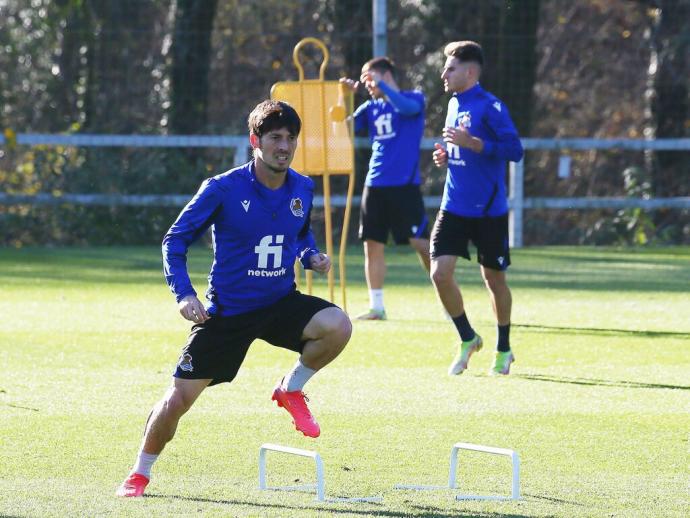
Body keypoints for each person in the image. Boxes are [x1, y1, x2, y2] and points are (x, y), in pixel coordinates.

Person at [116, 100, 352, 498]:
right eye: (275, 137)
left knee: (339, 326)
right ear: (254, 140)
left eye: (290, 138)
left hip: (280, 303)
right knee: (178, 399)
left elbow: (299, 234)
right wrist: (184, 294)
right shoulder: (222, 189)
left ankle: (290, 389)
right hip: (229, 312)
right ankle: (139, 473)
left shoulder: (303, 187)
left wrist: (309, 255)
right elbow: (174, 240)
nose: (284, 146)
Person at [430, 41, 523, 376]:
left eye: (450, 68)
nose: (444, 73)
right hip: (453, 205)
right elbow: (461, 153)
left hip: (488, 211)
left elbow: (515, 149)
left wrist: (474, 144)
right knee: (439, 273)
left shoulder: (491, 106)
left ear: (469, 71)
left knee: (494, 279)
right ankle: (468, 338)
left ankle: (504, 348)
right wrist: (447, 156)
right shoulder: (454, 102)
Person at [340, 57, 430, 321]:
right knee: (372, 244)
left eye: (370, 78)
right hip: (375, 184)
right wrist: (345, 97)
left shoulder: (413, 98)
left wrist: (383, 86)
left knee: (420, 243)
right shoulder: (370, 107)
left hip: (404, 186)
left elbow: (407, 109)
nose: (367, 84)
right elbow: (342, 127)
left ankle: (448, 299)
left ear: (385, 75)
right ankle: (377, 307)